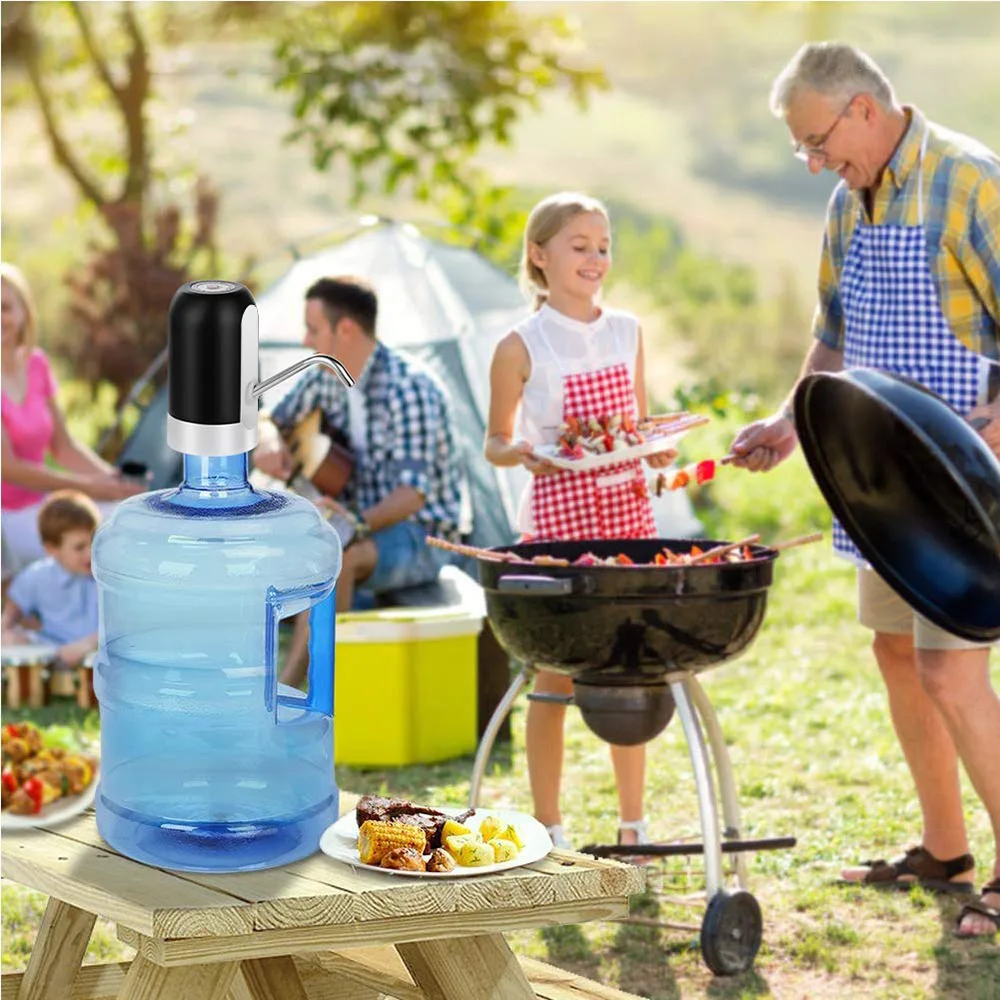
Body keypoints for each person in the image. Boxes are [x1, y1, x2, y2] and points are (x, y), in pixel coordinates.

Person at [730, 43, 1000, 937]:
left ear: (860, 109)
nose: (815, 163)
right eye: (804, 151)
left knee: (951, 672)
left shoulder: (970, 182)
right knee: (895, 654)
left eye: (818, 142)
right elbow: (833, 338)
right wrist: (788, 421)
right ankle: (945, 848)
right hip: (881, 483)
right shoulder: (850, 202)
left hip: (967, 485)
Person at [483, 191, 677, 851]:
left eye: (602, 246)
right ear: (539, 255)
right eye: (579, 246)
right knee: (555, 671)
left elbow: (638, 424)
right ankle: (547, 823)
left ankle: (632, 823)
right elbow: (495, 441)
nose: (596, 258)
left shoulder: (627, 332)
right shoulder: (519, 345)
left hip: (626, 509)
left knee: (631, 664)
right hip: (557, 517)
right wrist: (523, 454)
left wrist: (658, 446)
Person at [253, 276, 465, 685]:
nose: (304, 340)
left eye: (313, 330)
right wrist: (271, 441)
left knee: (339, 557)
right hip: (354, 523)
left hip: (421, 534)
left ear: (345, 329)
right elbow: (268, 418)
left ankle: (295, 689)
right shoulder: (321, 375)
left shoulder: (411, 388)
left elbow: (410, 498)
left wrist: (349, 524)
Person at [1, 263, 142, 581]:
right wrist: (90, 488)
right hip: (8, 517)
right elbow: (8, 468)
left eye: (5, 307)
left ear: (24, 309)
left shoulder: (36, 363)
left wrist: (114, 481)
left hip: (46, 504)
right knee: (99, 541)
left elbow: (63, 447)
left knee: (128, 517)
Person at [2, 491, 101, 695]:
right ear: (52, 549)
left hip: (96, 649)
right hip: (55, 653)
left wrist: (88, 643)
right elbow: (8, 618)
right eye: (79, 547)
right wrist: (8, 634)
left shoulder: (107, 574)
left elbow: (123, 626)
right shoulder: (37, 576)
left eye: (94, 541)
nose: (89, 553)